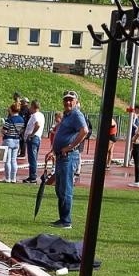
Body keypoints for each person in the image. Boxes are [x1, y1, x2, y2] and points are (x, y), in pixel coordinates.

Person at [47, 91, 89, 229]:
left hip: (68, 156)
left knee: (65, 188)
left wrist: (70, 146)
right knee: (59, 188)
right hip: (61, 156)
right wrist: (53, 151)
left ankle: (66, 221)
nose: (68, 102)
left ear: (76, 101)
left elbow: (84, 131)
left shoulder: (76, 114)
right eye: (66, 100)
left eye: (71, 100)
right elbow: (60, 134)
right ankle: (63, 218)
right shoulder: (67, 115)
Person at [22, 98, 45, 183]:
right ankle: (32, 175)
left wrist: (31, 134)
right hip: (37, 138)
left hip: (33, 138)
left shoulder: (35, 115)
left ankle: (32, 176)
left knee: (32, 158)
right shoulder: (41, 115)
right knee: (33, 157)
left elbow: (37, 125)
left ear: (33, 107)